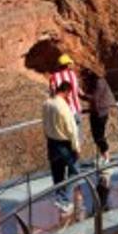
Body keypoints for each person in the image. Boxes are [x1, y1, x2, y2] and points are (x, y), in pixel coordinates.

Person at [43, 80, 81, 214]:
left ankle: (59, 198)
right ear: (66, 91)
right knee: (75, 170)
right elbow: (71, 129)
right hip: (64, 143)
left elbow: (45, 123)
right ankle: (65, 200)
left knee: (57, 172)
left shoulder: (46, 103)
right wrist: (76, 147)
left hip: (51, 142)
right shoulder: (63, 107)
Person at [49, 53, 84, 146]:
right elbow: (79, 91)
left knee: (67, 140)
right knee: (77, 138)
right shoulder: (73, 74)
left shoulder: (54, 77)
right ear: (67, 64)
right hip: (76, 110)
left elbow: (53, 94)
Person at [88, 72, 116, 165]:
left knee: (99, 135)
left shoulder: (100, 82)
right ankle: (103, 155)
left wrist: (82, 94)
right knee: (96, 136)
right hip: (96, 112)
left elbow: (95, 98)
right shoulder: (94, 82)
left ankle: (107, 156)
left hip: (100, 113)